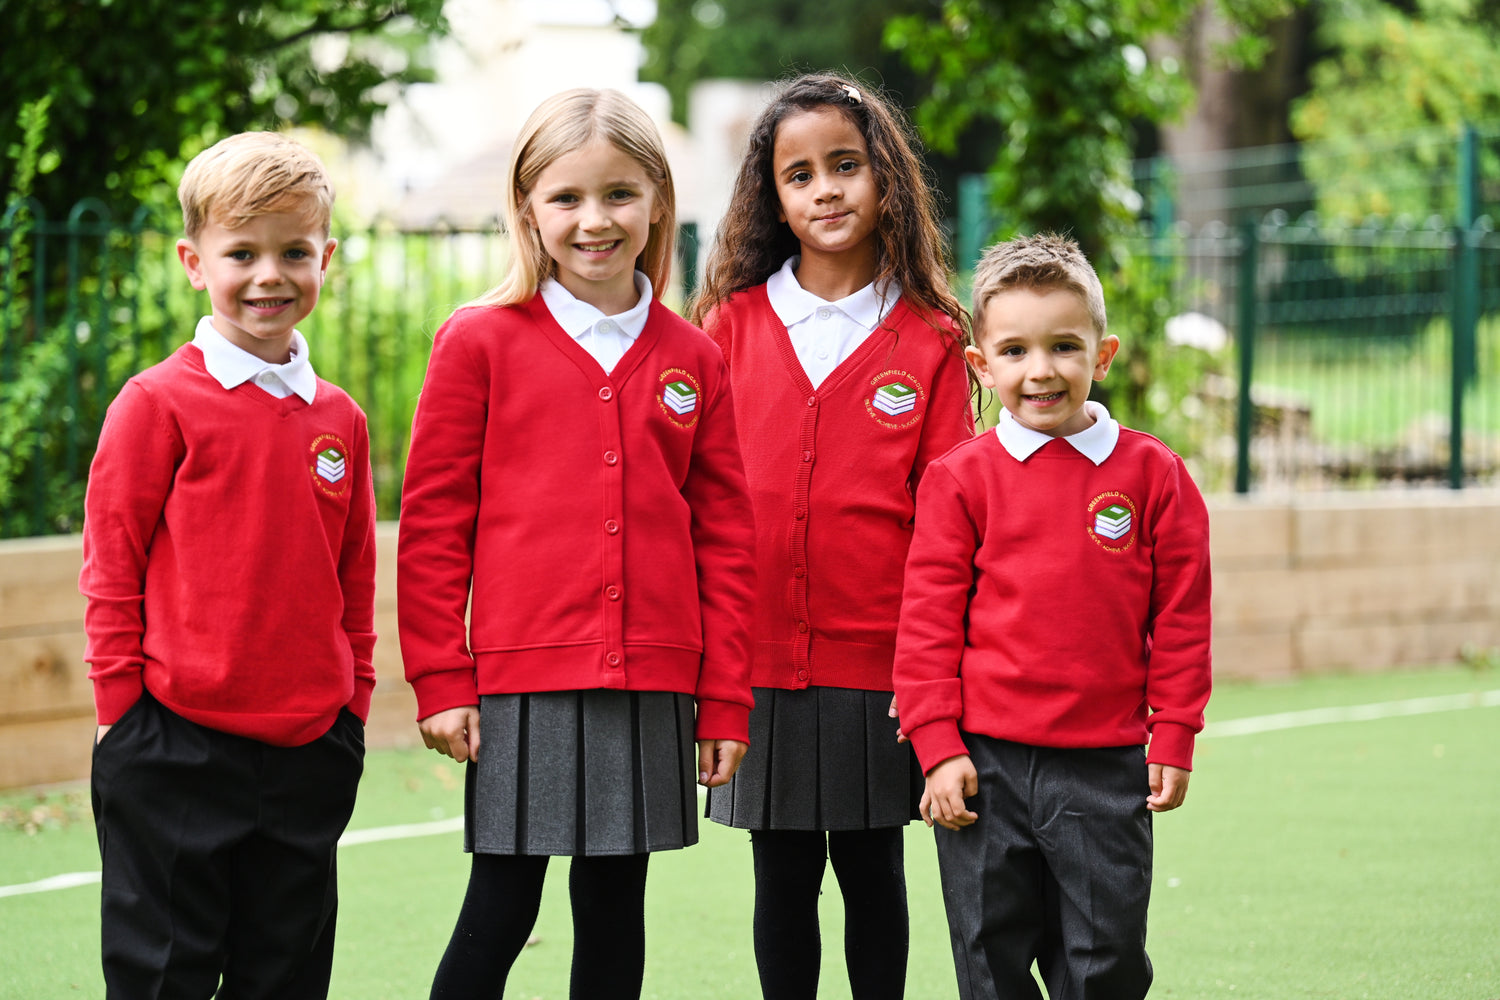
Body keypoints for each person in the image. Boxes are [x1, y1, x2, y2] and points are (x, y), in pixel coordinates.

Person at [397, 88, 757, 1000]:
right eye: (566, 198)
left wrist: (723, 700)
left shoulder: (695, 358)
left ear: (658, 205)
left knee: (614, 906)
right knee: (501, 905)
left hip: (651, 678)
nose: (594, 220)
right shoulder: (476, 343)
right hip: (522, 681)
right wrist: (442, 677)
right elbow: (435, 524)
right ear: (528, 210)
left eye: (620, 195)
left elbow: (724, 536)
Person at [690, 73, 975, 1000]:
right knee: (781, 879)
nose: (825, 191)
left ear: (885, 176)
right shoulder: (727, 326)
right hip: (757, 663)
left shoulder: (930, 336)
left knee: (872, 873)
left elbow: (950, 518)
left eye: (845, 166)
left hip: (881, 666)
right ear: (772, 197)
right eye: (798, 174)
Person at [79, 131, 374, 999]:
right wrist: (120, 713)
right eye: (241, 253)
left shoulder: (342, 420)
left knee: (284, 976)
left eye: (293, 252)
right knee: (163, 978)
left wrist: (351, 701)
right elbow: (111, 565)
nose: (269, 275)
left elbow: (352, 576)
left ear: (326, 257)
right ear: (194, 262)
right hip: (172, 742)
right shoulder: (155, 404)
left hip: (310, 747)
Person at [893, 232, 1213, 1000]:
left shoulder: (1153, 475)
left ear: (1101, 356)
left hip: (1105, 769)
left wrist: (1173, 729)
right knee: (988, 959)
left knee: (1103, 963)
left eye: (1064, 346)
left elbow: (1181, 617)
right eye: (1015, 351)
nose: (1041, 370)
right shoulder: (959, 480)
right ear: (982, 365)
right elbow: (927, 624)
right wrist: (937, 746)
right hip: (984, 768)